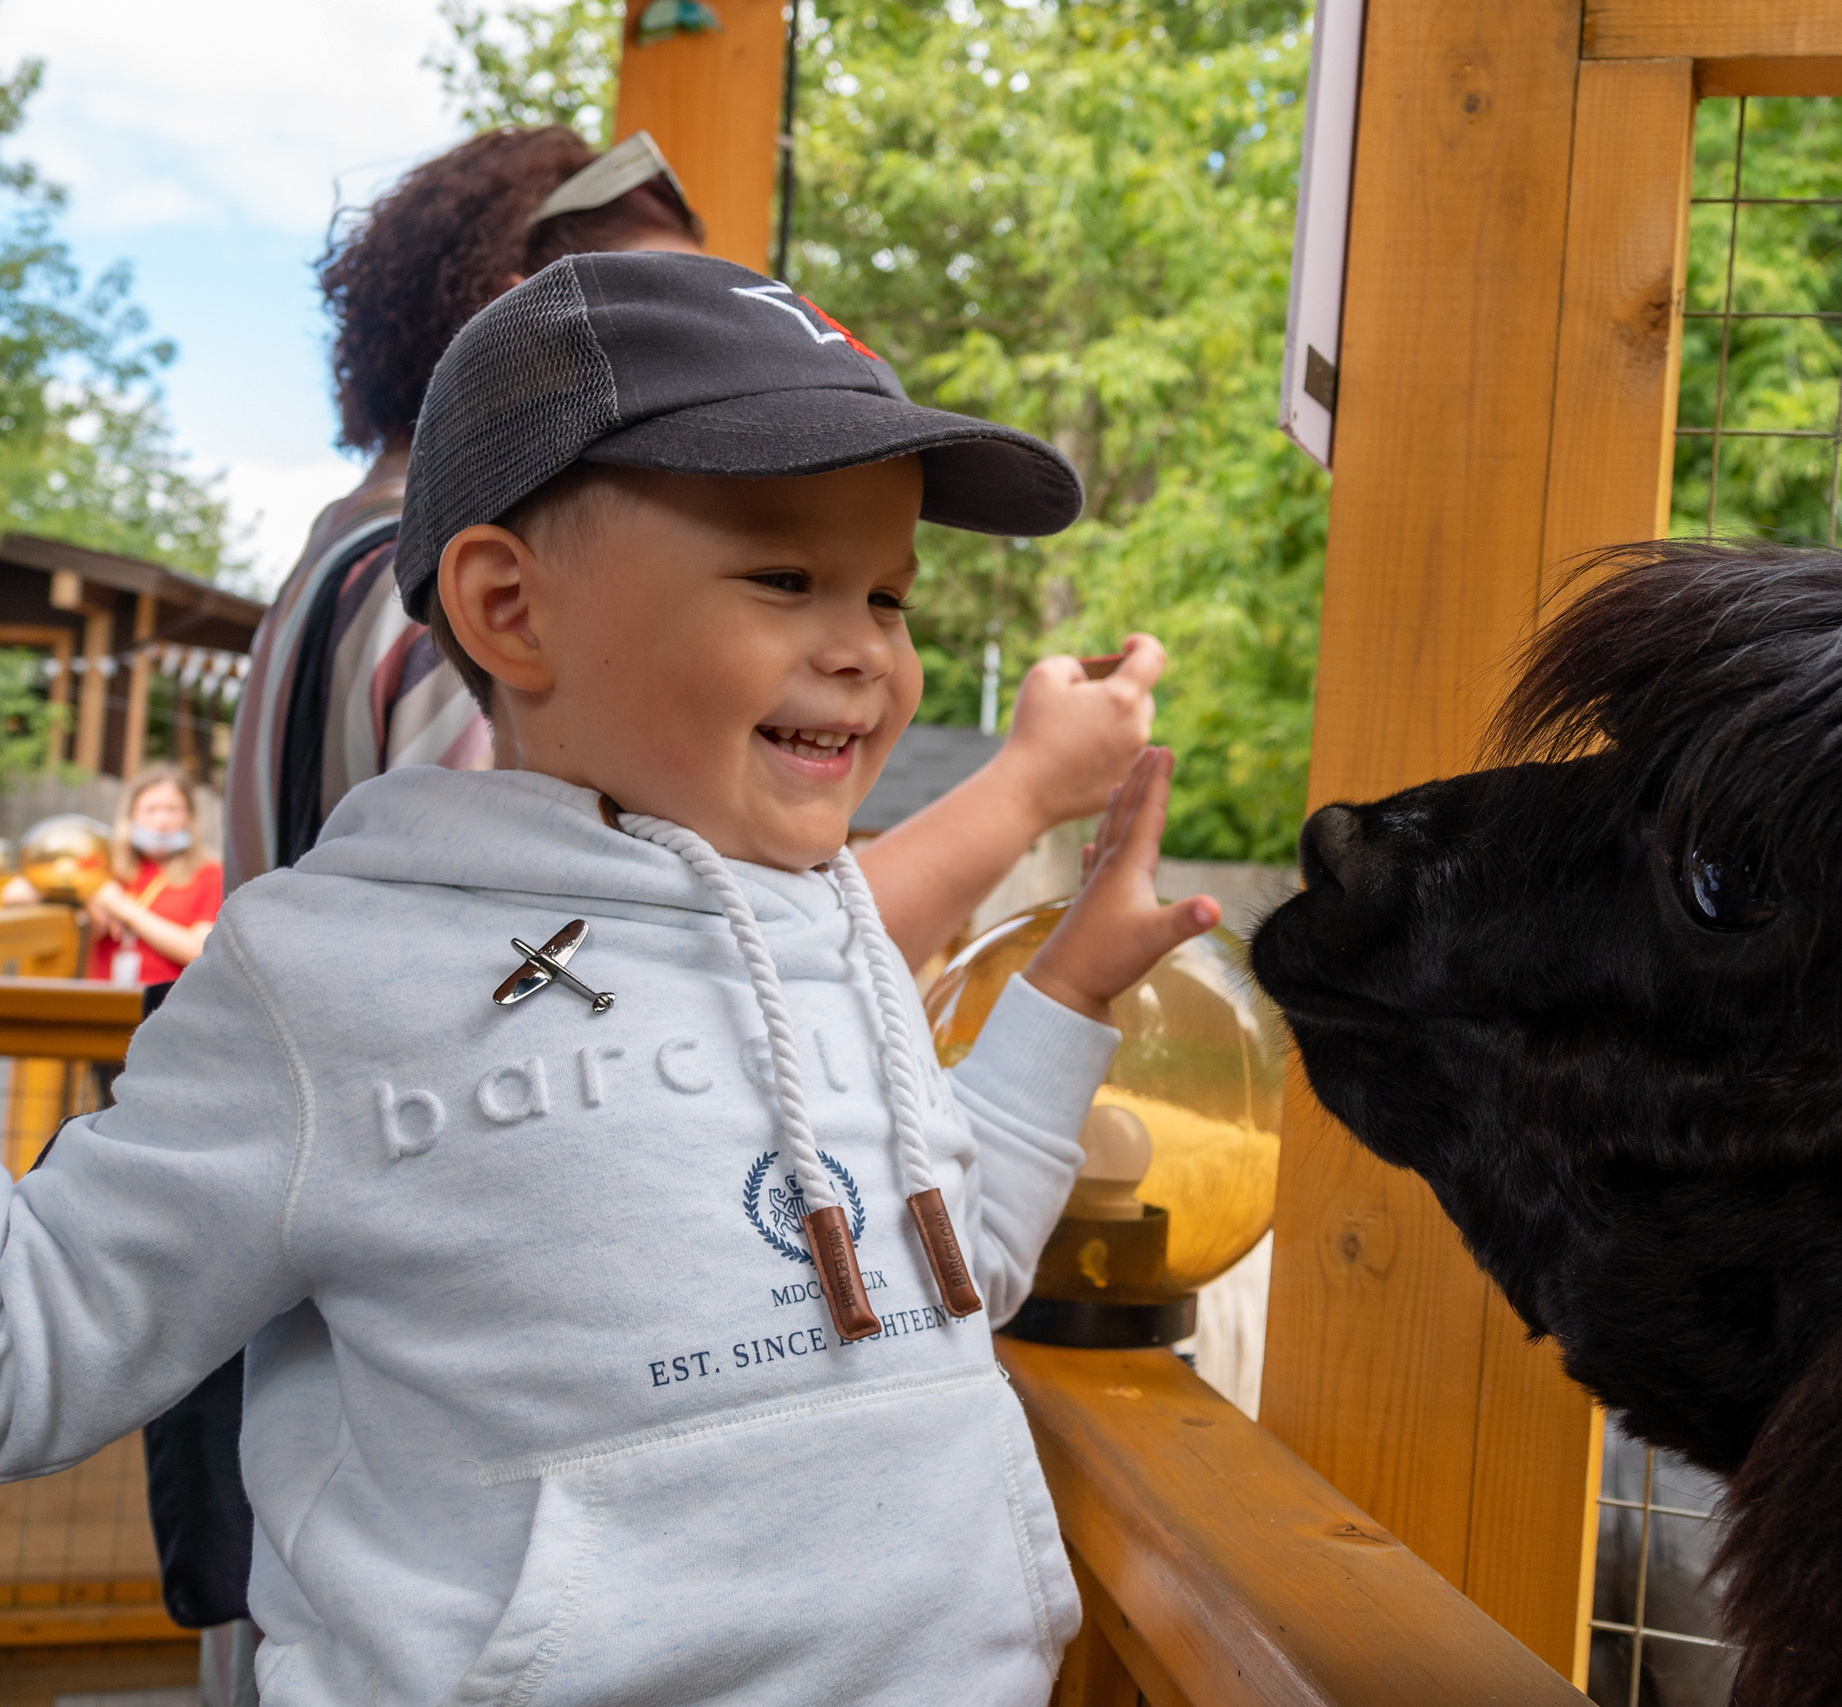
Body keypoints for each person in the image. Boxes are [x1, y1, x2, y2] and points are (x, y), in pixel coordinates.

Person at [9, 251, 1219, 1703]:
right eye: (787, 578)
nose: (864, 651)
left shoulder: (831, 937)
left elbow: (957, 1273)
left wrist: (1072, 986)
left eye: (891, 596)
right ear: (511, 609)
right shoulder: (325, 978)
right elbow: (43, 1332)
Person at [231, 124, 1159, 958]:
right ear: (512, 326)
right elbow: (616, 976)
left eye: (888, 597)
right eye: (668, 315)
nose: (732, 339)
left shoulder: (333, 565)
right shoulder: (465, 609)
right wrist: (1026, 788)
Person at [87, 766, 221, 985]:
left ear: (189, 816)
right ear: (131, 815)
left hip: (168, 1001)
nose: (161, 821)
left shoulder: (210, 873)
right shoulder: (103, 865)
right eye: (150, 810)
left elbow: (198, 950)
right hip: (103, 996)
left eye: (172, 810)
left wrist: (123, 909)